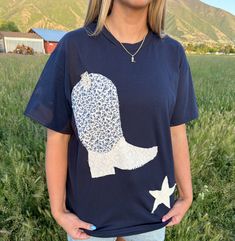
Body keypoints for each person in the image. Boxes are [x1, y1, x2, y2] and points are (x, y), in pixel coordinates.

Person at [23, 0, 199, 240]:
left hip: (152, 213)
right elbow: (58, 134)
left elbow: (176, 131)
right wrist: (58, 210)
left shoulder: (173, 53)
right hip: (89, 218)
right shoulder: (74, 47)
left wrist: (186, 195)